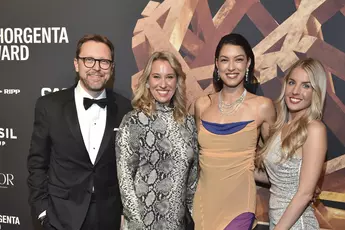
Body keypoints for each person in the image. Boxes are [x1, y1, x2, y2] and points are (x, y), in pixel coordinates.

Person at [27, 34, 131, 230]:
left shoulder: (125, 108)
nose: (96, 67)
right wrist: (42, 211)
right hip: (60, 216)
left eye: (104, 62)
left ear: (112, 67)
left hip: (108, 217)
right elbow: (37, 164)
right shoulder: (49, 106)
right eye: (89, 60)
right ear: (77, 64)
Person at [192, 33, 276, 230]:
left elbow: (275, 161)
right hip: (203, 204)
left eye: (238, 60)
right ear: (216, 64)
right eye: (224, 60)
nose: (231, 67)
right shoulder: (202, 105)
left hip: (239, 206)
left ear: (248, 64)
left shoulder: (262, 107)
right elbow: (199, 159)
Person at [116, 51, 198, 230]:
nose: (163, 84)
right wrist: (138, 225)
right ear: (147, 81)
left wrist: (198, 220)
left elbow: (192, 182)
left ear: (177, 82)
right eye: (156, 77)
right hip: (142, 224)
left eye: (169, 77)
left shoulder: (189, 123)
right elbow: (125, 181)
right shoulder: (133, 121)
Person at [256, 58, 327, 229]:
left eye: (306, 86)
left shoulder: (314, 129)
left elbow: (305, 193)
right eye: (292, 82)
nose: (296, 91)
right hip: (279, 222)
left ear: (316, 92)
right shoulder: (281, 127)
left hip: (296, 225)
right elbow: (279, 178)